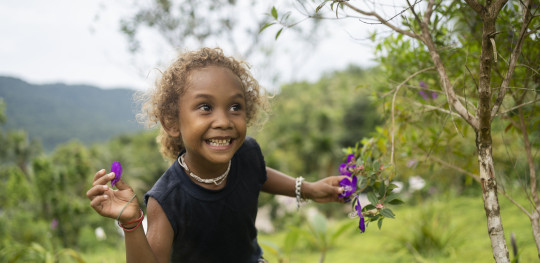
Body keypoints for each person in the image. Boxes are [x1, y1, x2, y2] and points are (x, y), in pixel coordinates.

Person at [86, 47, 348, 263]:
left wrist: (308, 189)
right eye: (205, 107)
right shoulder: (167, 199)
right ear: (172, 122)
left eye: (235, 106)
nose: (223, 120)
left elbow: (258, 174)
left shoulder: (246, 154)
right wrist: (132, 223)